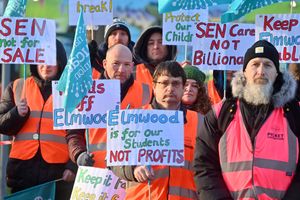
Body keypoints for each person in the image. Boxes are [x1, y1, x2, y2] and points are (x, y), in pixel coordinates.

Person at [194, 40, 300, 199]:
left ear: (277, 73)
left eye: (268, 65)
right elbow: (204, 166)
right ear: (244, 72)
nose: (261, 71)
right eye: (255, 64)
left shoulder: (294, 113)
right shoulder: (221, 113)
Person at [112, 61, 202, 199]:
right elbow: (114, 163)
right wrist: (133, 169)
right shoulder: (133, 119)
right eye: (164, 83)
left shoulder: (200, 122)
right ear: (154, 86)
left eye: (176, 83)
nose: (170, 88)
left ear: (183, 87)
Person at [0, 40, 76, 199]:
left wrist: (72, 166)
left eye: (52, 60)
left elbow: (80, 132)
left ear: (61, 62)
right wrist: (16, 114)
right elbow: (3, 125)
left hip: (58, 173)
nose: (46, 65)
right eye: (42, 59)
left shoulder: (71, 91)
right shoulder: (17, 86)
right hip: (22, 172)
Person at [67, 44, 151, 168]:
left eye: (127, 64)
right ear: (105, 64)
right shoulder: (88, 91)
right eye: (116, 64)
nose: (121, 70)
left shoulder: (147, 92)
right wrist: (78, 154)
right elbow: (74, 133)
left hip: (132, 174)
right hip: (95, 173)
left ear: (132, 66)